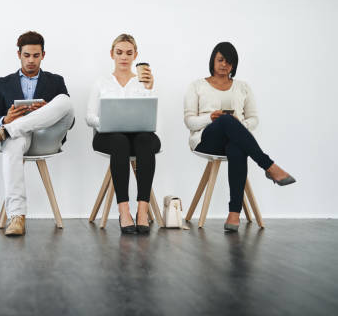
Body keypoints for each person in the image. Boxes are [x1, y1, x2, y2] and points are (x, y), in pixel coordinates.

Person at [184, 42, 296, 232]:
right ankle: (269, 166)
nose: (224, 65)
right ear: (213, 60)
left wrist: (238, 124)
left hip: (235, 139)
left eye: (229, 62)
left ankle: (234, 214)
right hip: (206, 139)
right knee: (226, 121)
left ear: (234, 65)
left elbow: (253, 119)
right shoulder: (197, 86)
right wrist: (210, 117)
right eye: (220, 60)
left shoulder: (243, 87)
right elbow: (189, 122)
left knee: (236, 146)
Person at [0, 31, 74, 236]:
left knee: (65, 101)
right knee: (13, 143)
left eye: (35, 55)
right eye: (26, 55)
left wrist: (49, 109)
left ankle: (8, 130)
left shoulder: (56, 81)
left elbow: (71, 121)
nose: (31, 60)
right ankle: (16, 217)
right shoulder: (3, 83)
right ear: (19, 55)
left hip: (47, 137)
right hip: (19, 139)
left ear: (43, 55)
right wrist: (6, 119)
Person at [85, 34, 160, 234]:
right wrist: (106, 123)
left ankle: (142, 210)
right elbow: (90, 116)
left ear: (135, 55)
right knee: (119, 142)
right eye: (119, 53)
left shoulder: (143, 82)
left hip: (138, 136)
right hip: (108, 136)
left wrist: (149, 89)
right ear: (112, 54)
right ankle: (124, 210)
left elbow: (150, 115)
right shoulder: (101, 83)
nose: (124, 57)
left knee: (146, 140)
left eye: (128, 53)